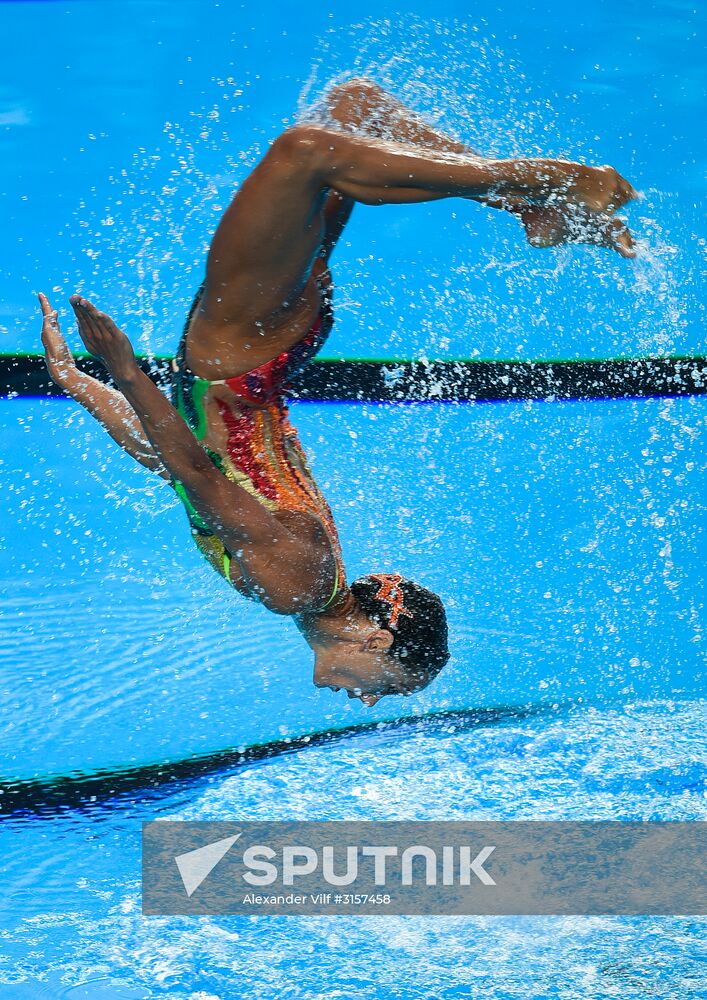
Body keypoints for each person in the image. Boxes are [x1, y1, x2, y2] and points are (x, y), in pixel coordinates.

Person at [39, 78, 637, 707]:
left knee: (352, 110)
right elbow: (197, 474)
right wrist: (126, 373)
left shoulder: (315, 579)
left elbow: (176, 465)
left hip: (260, 361)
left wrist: (78, 382)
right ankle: (541, 184)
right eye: (392, 688)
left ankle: (529, 207)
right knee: (308, 153)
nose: (371, 701)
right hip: (238, 356)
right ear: (378, 642)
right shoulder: (297, 588)